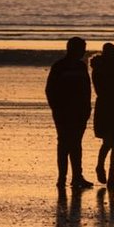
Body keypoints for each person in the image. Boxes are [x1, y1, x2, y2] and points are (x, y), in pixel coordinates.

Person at [45, 36, 93, 190]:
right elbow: (50, 90)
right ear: (73, 49)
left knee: (76, 144)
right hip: (63, 112)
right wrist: (56, 108)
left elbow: (87, 89)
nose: (84, 52)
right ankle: (62, 177)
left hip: (79, 112)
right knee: (65, 144)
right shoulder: (60, 66)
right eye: (82, 49)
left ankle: (77, 176)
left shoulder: (81, 66)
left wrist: (87, 108)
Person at [90, 42, 114, 189]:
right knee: (109, 142)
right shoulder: (99, 68)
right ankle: (101, 167)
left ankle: (112, 175)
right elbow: (101, 89)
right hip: (107, 104)